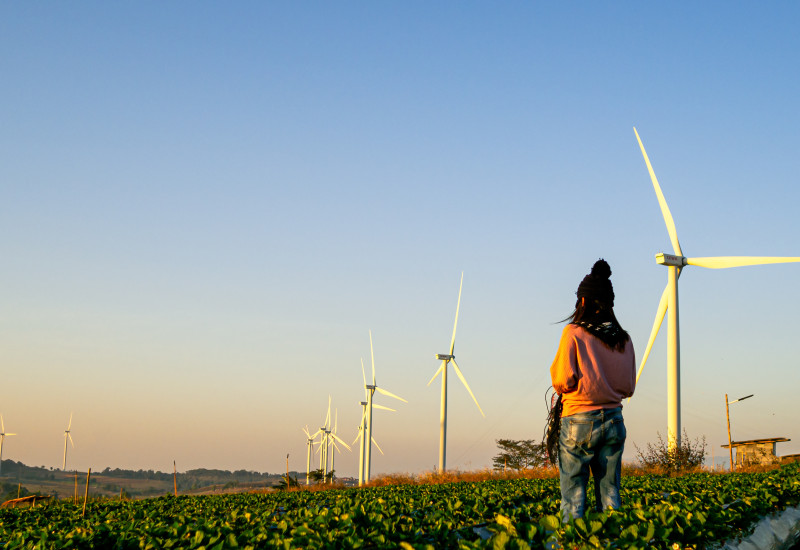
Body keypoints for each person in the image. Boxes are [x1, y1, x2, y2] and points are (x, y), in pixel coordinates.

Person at [549, 259, 636, 521]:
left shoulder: (573, 332)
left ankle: (575, 541)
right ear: (609, 304)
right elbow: (628, 387)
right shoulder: (623, 338)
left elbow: (562, 380)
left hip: (579, 421)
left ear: (583, 302)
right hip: (614, 420)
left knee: (573, 496)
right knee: (610, 492)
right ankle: (611, 539)